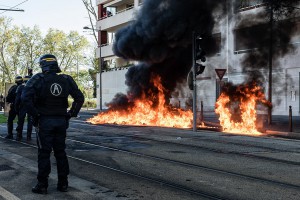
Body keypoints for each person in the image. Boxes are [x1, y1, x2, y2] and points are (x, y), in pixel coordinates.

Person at [22, 54, 84, 194]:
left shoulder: (37, 79)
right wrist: (70, 114)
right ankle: (63, 183)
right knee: (60, 152)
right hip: (61, 121)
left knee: (44, 153)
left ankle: (42, 184)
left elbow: (25, 97)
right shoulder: (66, 79)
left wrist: (35, 114)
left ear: (43, 65)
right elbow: (79, 98)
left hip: (45, 121)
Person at [15, 75, 33, 141]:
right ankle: (29, 136)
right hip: (30, 106)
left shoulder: (20, 87)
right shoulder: (33, 87)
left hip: (22, 106)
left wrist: (16, 107)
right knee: (30, 122)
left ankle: (19, 136)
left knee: (20, 121)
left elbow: (17, 99)